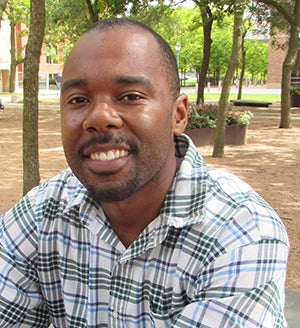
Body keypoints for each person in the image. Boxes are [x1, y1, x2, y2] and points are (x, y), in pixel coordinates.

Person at [0, 18, 289, 327]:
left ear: (178, 115)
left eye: (130, 96)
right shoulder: (40, 216)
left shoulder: (242, 233)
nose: (98, 117)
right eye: (79, 100)